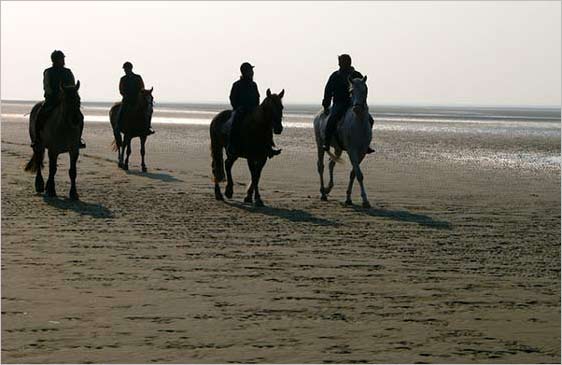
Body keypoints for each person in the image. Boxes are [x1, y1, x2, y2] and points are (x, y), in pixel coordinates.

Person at [322, 54, 374, 153]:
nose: (340, 65)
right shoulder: (335, 76)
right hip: (339, 103)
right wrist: (326, 104)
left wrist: (361, 102)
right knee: (332, 119)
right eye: (340, 63)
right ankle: (327, 142)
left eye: (341, 63)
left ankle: (366, 143)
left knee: (370, 120)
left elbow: (363, 89)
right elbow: (328, 90)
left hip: (353, 103)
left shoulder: (357, 75)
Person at [228, 62, 281, 158]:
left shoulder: (253, 84)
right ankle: (232, 146)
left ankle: (268, 147)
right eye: (250, 71)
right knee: (235, 122)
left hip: (253, 110)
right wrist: (237, 107)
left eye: (252, 71)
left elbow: (257, 97)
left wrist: (257, 108)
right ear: (245, 72)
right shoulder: (237, 85)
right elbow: (232, 98)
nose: (252, 72)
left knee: (266, 122)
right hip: (241, 111)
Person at [33, 50, 85, 148]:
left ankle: (78, 140)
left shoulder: (68, 72)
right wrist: (55, 95)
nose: (63, 61)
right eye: (61, 59)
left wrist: (69, 95)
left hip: (66, 100)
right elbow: (47, 86)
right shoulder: (48, 72)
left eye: (63, 58)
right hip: (51, 100)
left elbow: (72, 85)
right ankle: (37, 139)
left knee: (80, 117)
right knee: (40, 114)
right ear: (55, 60)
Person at [116, 61, 154, 135]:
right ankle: (117, 126)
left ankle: (148, 127)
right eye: (125, 69)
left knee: (148, 111)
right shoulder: (123, 79)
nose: (125, 71)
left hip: (137, 99)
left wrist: (139, 95)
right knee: (121, 110)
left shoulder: (138, 77)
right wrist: (126, 95)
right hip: (127, 99)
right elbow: (121, 90)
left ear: (130, 69)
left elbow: (142, 88)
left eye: (126, 69)